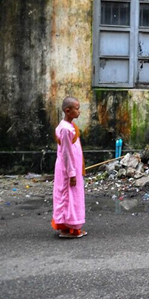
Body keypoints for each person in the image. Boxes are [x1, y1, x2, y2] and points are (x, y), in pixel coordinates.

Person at [52, 97, 87, 238]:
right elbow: (66, 153)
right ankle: (69, 229)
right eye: (77, 109)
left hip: (71, 168)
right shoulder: (66, 130)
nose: (79, 111)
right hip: (68, 169)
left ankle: (69, 228)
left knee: (71, 196)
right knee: (68, 197)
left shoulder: (67, 126)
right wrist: (71, 173)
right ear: (68, 111)